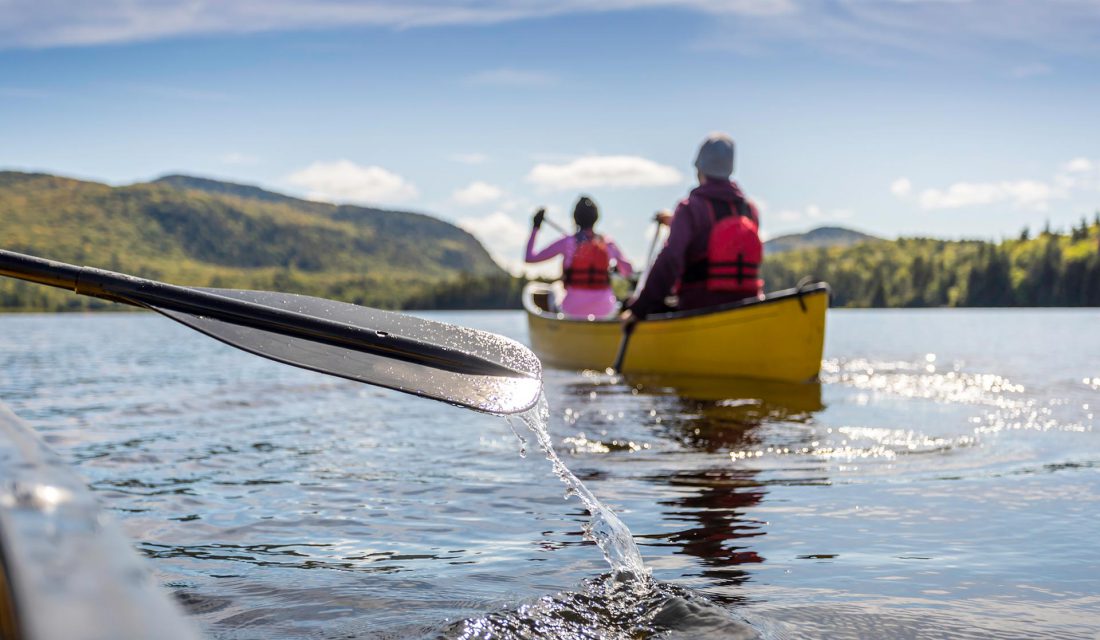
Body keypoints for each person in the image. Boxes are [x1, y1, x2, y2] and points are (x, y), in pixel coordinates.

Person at [622, 133, 763, 325]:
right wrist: (673, 221)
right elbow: (713, 235)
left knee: (651, 308)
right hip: (748, 303)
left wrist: (638, 309)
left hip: (699, 305)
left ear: (699, 168)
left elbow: (670, 261)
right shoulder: (749, 210)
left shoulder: (689, 208)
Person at [525, 195, 634, 318]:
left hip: (572, 310)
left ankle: (554, 326)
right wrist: (616, 267)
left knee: (556, 287)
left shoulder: (567, 242)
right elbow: (628, 271)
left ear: (575, 218)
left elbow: (530, 258)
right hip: (606, 311)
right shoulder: (607, 243)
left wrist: (536, 227)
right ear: (596, 218)